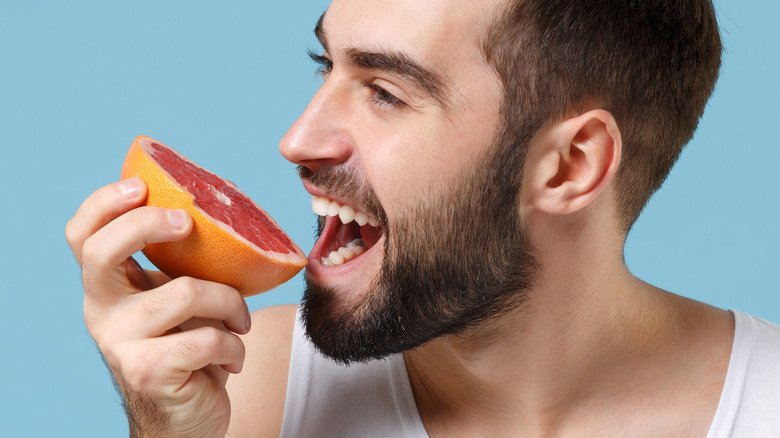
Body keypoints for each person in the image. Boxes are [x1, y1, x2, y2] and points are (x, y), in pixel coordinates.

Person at [66, 0, 780, 436]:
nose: (298, 140)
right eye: (327, 66)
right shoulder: (245, 384)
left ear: (568, 167)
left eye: (385, 92)